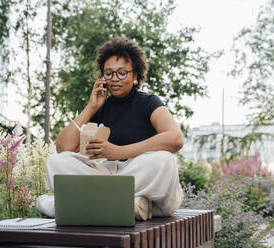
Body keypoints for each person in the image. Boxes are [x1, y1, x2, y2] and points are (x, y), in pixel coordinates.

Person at [36, 37, 184, 220]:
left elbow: (175, 139)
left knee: (164, 160)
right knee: (56, 162)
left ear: (135, 76)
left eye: (122, 73)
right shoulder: (101, 108)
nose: (115, 79)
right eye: (109, 73)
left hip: (140, 176)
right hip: (112, 176)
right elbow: (63, 148)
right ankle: (128, 206)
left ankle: (74, 205)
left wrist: (118, 151)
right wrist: (91, 107)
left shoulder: (149, 103)